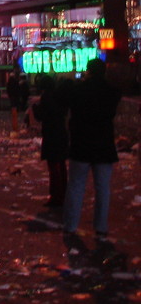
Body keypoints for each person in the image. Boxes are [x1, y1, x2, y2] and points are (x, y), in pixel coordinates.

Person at [61, 58, 121, 243]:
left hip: (81, 143)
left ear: (88, 71)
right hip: (103, 145)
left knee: (76, 187)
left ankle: (71, 225)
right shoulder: (112, 92)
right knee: (102, 188)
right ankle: (101, 227)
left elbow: (66, 102)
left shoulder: (78, 90)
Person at [31, 74, 68, 208]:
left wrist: (35, 106)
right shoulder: (59, 96)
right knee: (61, 166)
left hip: (51, 134)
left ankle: (56, 196)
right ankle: (63, 193)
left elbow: (41, 115)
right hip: (61, 133)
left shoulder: (46, 97)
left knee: (53, 167)